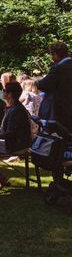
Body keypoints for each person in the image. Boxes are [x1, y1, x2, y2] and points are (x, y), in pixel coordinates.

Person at [37, 41, 72, 187]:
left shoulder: (59, 68)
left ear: (55, 55)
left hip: (60, 115)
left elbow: (42, 84)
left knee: (57, 148)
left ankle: (58, 182)